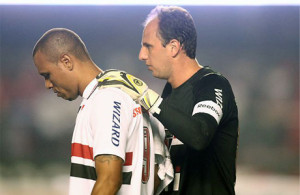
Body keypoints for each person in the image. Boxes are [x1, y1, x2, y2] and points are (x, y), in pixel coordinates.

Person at [99, 5, 239, 195]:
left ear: (173, 47)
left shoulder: (212, 84)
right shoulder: (168, 95)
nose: (141, 55)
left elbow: (199, 135)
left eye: (148, 46)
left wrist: (145, 96)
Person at [32, 28, 173, 195]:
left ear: (66, 61)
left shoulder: (105, 99)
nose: (48, 84)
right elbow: (158, 173)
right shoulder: (123, 96)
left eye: (47, 75)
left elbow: (109, 181)